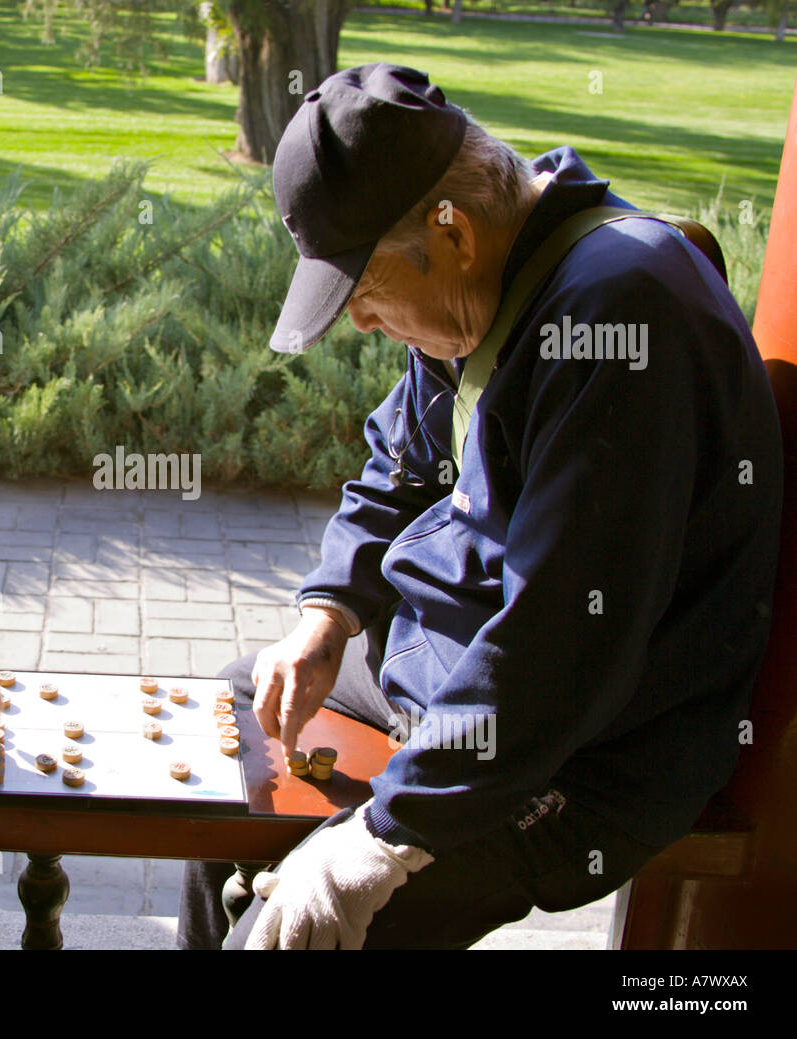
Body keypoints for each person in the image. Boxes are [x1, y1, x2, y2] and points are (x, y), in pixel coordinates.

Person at [178, 63, 782, 950]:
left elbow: (560, 644)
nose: (364, 326)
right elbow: (400, 461)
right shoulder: (493, 275)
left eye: (367, 291)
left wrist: (383, 838)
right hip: (463, 667)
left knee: (285, 939)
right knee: (236, 727)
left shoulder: (617, 316)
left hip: (581, 748)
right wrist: (329, 612)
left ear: (451, 230)